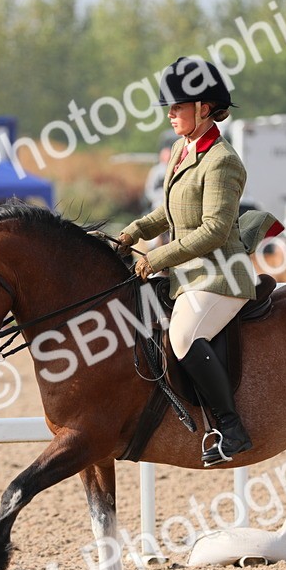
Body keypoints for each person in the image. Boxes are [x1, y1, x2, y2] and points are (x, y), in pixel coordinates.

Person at [114, 56, 255, 467]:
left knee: (183, 338)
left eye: (178, 106)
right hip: (190, 275)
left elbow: (213, 229)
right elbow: (170, 212)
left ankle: (231, 428)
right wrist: (133, 232)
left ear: (205, 109)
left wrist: (157, 256)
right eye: (170, 107)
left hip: (222, 275)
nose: (171, 113)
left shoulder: (223, 161)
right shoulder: (182, 148)